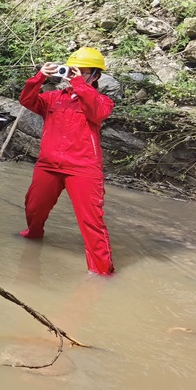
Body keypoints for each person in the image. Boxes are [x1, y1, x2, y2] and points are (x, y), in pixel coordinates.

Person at [18, 47, 115, 275]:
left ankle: (102, 272)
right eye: (73, 70)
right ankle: (34, 235)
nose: (75, 74)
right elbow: (27, 100)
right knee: (33, 206)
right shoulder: (53, 98)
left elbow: (98, 113)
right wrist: (40, 76)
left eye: (83, 71)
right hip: (49, 164)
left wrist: (80, 84)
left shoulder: (102, 100)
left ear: (96, 76)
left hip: (83, 168)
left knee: (92, 222)